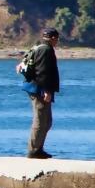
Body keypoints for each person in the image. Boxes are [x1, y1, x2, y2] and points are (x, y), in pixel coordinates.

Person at [26, 28, 61, 159]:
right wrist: (46, 90)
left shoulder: (39, 47)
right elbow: (42, 71)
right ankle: (33, 150)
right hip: (39, 89)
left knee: (47, 121)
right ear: (53, 38)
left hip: (39, 88)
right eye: (57, 39)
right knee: (40, 121)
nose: (57, 41)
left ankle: (38, 148)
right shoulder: (46, 50)